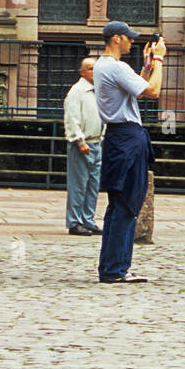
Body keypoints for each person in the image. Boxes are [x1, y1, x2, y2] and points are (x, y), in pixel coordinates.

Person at [93, 21, 164, 283]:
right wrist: (159, 60)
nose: (132, 42)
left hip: (117, 136)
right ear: (116, 39)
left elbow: (138, 90)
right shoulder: (116, 66)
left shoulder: (102, 66)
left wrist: (146, 67)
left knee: (118, 205)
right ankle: (116, 269)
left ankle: (111, 267)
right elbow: (153, 91)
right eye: (129, 38)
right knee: (128, 204)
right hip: (128, 137)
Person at [63, 57, 105, 236]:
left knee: (93, 185)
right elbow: (72, 118)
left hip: (97, 142)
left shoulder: (97, 91)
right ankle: (74, 222)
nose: (93, 72)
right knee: (78, 185)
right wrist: (79, 141)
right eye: (90, 69)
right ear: (82, 72)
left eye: (95, 68)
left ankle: (88, 219)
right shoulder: (76, 91)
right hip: (83, 144)